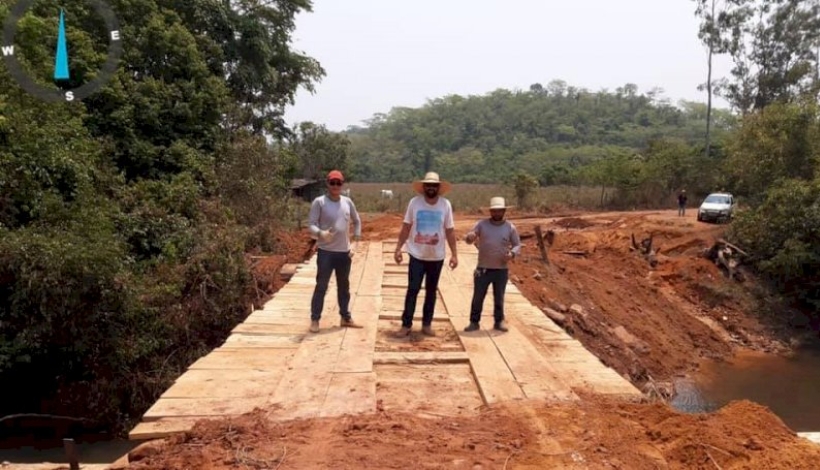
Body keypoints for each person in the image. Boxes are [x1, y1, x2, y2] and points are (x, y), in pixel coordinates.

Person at [394, 172, 458, 336]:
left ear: (438, 188)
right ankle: (406, 324)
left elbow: (450, 231)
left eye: (434, 185)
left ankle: (426, 324)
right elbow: (406, 227)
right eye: (428, 185)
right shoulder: (414, 203)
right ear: (423, 187)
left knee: (431, 291)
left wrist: (454, 254)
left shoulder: (445, 205)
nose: (431, 188)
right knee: (413, 289)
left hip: (436, 256)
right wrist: (398, 248)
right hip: (416, 255)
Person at [307, 170, 363, 333]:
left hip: (343, 253)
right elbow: (311, 224)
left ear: (342, 184)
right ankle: (315, 319)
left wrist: (356, 241)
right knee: (321, 286)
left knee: (344, 286)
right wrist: (320, 233)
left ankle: (345, 317)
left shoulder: (347, 202)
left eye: (339, 183)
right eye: (333, 183)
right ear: (328, 184)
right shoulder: (320, 202)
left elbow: (357, 221)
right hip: (326, 252)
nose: (336, 186)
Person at [463, 197, 521, 333]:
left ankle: (499, 321)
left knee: (499, 297)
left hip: (501, 269)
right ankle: (474, 322)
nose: (496, 213)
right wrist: (469, 237)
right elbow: (469, 239)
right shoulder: (481, 225)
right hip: (483, 268)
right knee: (478, 296)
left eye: (499, 211)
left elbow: (517, 244)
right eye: (494, 211)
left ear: (504, 211)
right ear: (490, 211)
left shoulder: (510, 228)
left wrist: (512, 254)